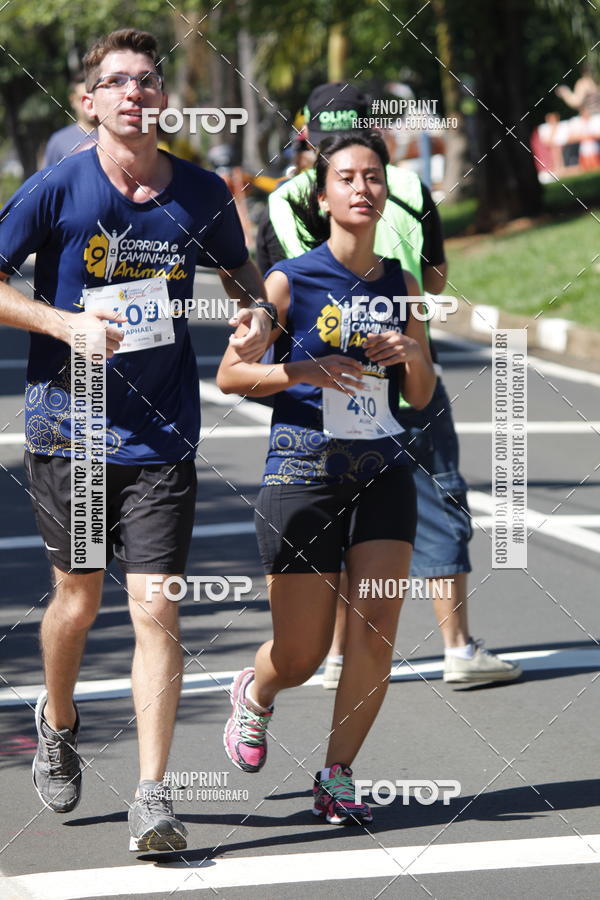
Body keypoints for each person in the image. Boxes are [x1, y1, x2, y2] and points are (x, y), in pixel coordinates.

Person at [0, 28, 274, 852]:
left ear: (165, 98)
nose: (135, 94)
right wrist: (62, 322)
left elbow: (241, 271)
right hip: (71, 432)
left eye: (148, 81)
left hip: (160, 437)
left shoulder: (200, 192)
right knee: (77, 603)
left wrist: (256, 310)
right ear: (89, 103)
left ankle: (153, 797)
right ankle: (59, 719)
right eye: (117, 83)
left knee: (156, 606)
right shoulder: (57, 188)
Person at [257, 82, 522, 690]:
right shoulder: (401, 185)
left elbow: (275, 287)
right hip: (400, 367)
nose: (358, 187)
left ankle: (337, 656)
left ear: (308, 138)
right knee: (438, 501)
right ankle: (456, 646)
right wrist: (404, 327)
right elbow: (435, 273)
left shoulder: (292, 198)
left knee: (350, 515)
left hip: (328, 389)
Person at [218, 131, 436, 824]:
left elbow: (423, 395)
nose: (363, 188)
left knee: (375, 629)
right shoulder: (290, 279)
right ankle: (256, 691)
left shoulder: (401, 281)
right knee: (304, 653)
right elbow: (230, 375)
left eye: (374, 176)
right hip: (302, 472)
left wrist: (409, 351)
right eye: (347, 177)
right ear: (324, 193)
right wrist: (304, 369)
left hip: (382, 469)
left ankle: (338, 776)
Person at [43, 73, 99, 167]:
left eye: (93, 98)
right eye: (83, 99)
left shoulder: (116, 136)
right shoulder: (58, 142)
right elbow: (50, 179)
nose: (89, 104)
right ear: (72, 101)